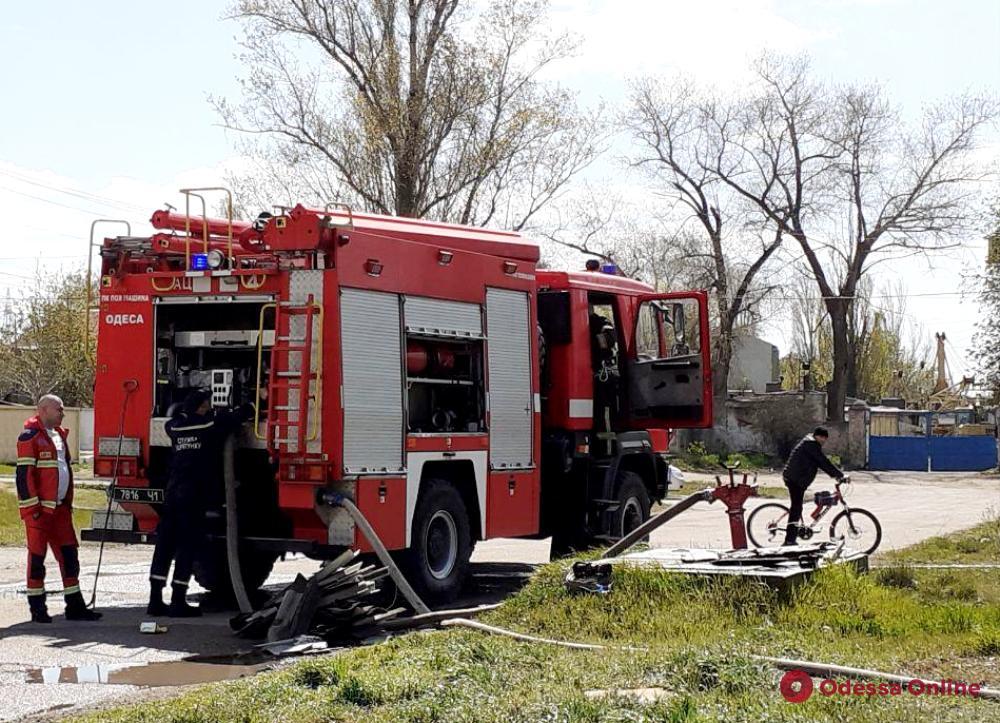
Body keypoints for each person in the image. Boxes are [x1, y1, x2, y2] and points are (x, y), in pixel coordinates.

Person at [147, 388, 261, 617]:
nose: (210, 406)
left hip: (172, 494)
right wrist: (255, 403)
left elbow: (171, 422)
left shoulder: (175, 427)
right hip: (193, 496)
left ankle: (155, 600)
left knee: (165, 544)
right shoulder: (210, 425)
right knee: (187, 545)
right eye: (208, 403)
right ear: (201, 407)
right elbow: (239, 416)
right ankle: (178, 600)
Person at [16, 395, 102, 623]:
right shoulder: (30, 437)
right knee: (37, 560)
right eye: (59, 409)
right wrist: (32, 507)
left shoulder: (59, 436)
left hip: (60, 509)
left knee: (69, 556)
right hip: (40, 512)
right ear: (43, 410)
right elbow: (24, 476)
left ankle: (75, 606)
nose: (63, 413)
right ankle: (38, 609)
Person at [781, 426, 846, 546]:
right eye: (823, 439)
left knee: (798, 506)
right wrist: (839, 475)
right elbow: (823, 461)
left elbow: (821, 463)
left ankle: (792, 536)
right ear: (818, 436)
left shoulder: (810, 443)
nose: (823, 442)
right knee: (796, 508)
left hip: (797, 479)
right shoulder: (811, 445)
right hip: (794, 479)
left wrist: (835, 475)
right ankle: (789, 540)